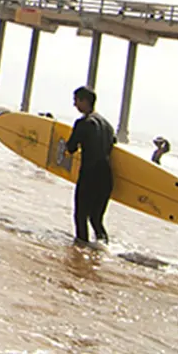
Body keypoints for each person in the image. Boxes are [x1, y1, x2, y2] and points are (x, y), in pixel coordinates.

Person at [65, 85, 116, 244]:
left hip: (89, 175)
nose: (75, 105)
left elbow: (71, 147)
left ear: (84, 101)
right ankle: (103, 251)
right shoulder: (108, 126)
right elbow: (112, 145)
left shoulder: (83, 123)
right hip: (107, 177)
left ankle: (80, 253)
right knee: (96, 219)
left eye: (76, 101)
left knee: (80, 216)